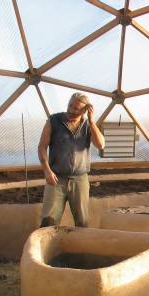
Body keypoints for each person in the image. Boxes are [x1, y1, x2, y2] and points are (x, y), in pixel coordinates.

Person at [38, 92, 105, 227]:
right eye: (70, 105)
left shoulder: (87, 125)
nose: (71, 110)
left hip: (80, 179)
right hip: (56, 178)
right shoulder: (54, 120)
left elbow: (101, 145)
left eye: (76, 108)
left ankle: (80, 247)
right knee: (48, 221)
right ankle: (49, 246)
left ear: (84, 110)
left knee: (82, 221)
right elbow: (42, 147)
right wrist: (47, 170)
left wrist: (92, 121)